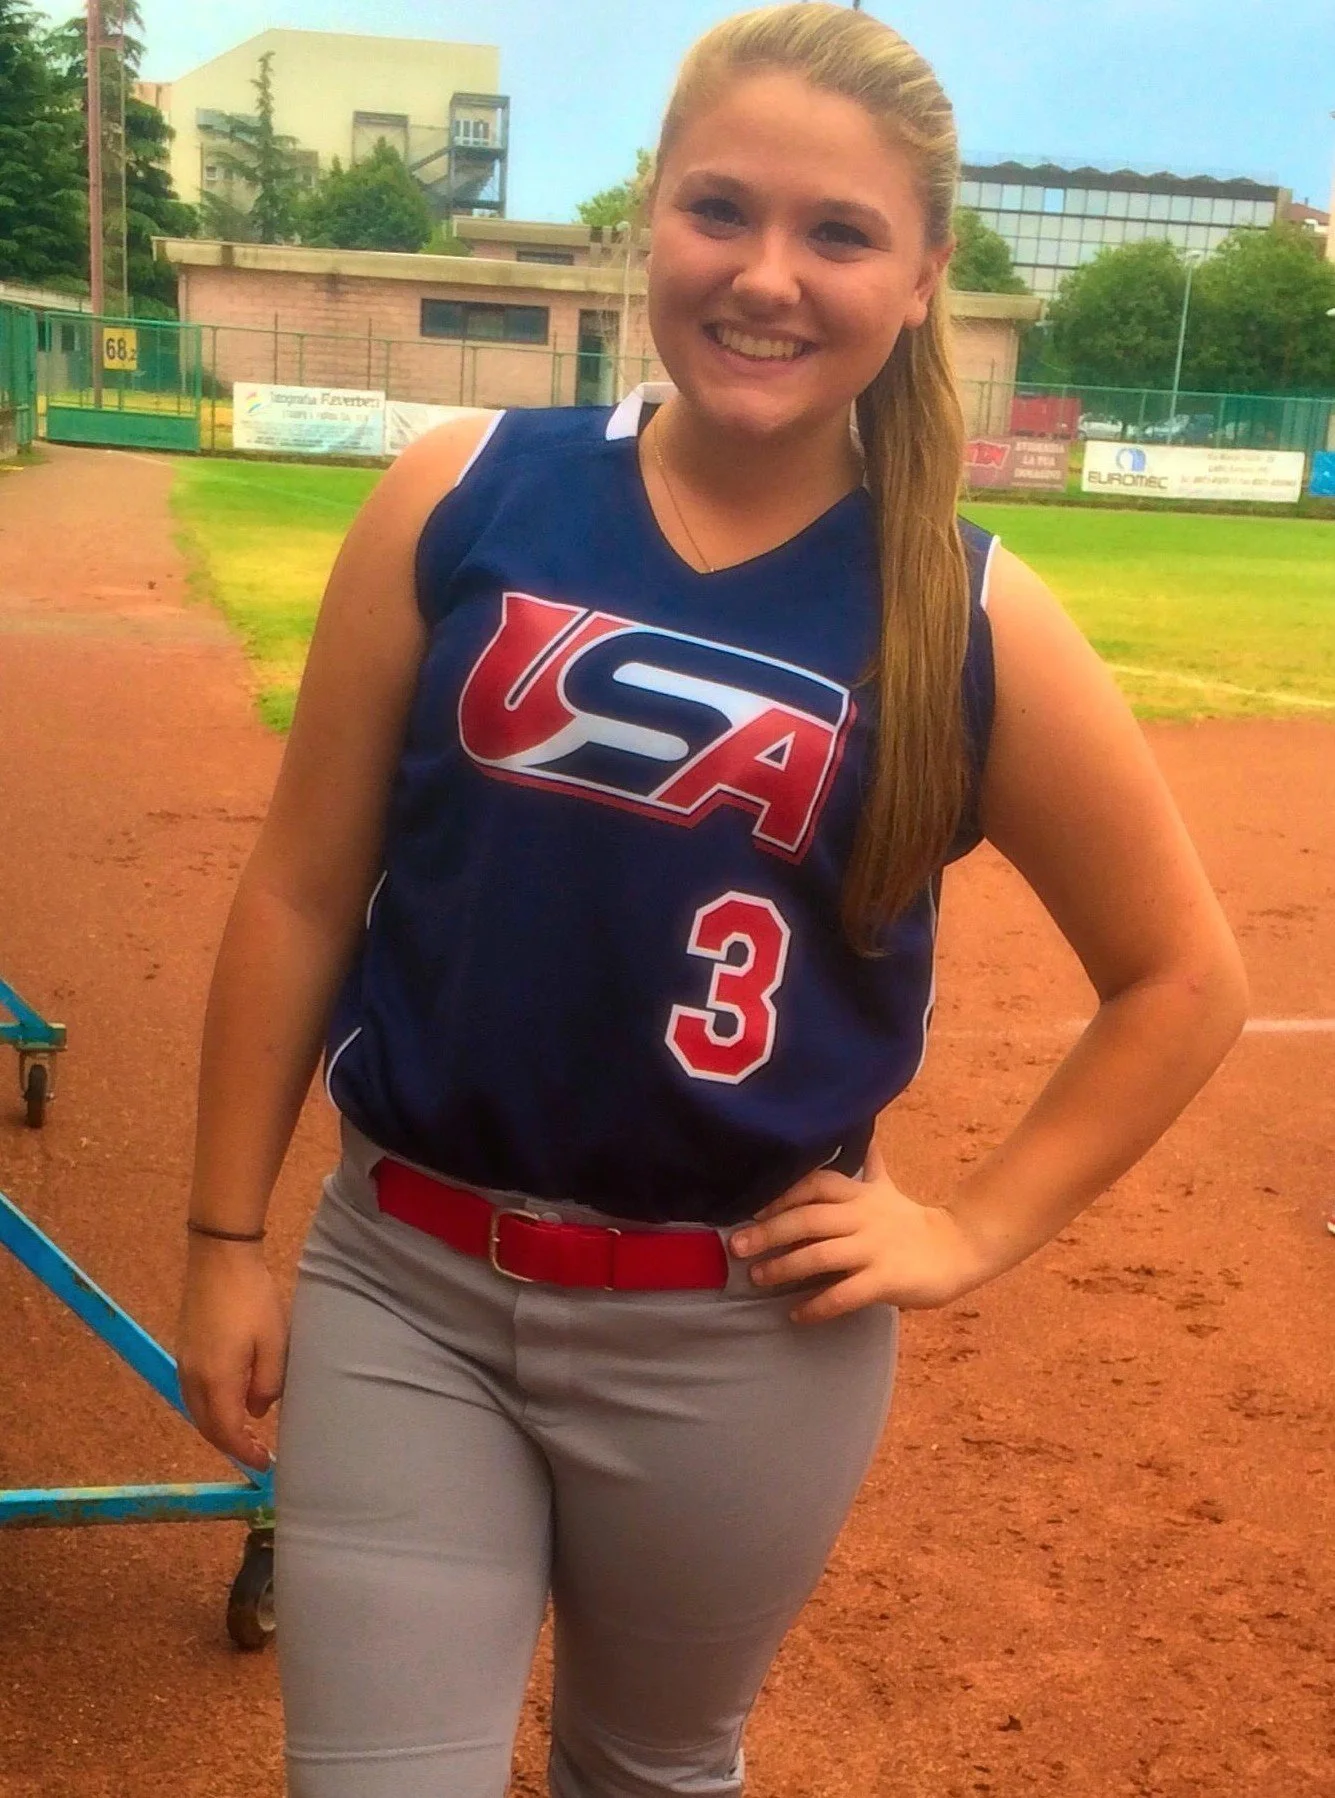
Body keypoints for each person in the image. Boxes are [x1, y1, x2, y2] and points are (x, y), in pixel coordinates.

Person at [175, 7, 1247, 1795]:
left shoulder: (966, 613)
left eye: (838, 234)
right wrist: (221, 1237)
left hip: (738, 1338)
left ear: (919, 282)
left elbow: (1180, 978)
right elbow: (300, 887)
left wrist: (969, 1230)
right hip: (408, 1283)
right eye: (716, 210)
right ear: (644, 219)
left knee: (649, 1769)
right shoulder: (465, 494)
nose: (766, 276)